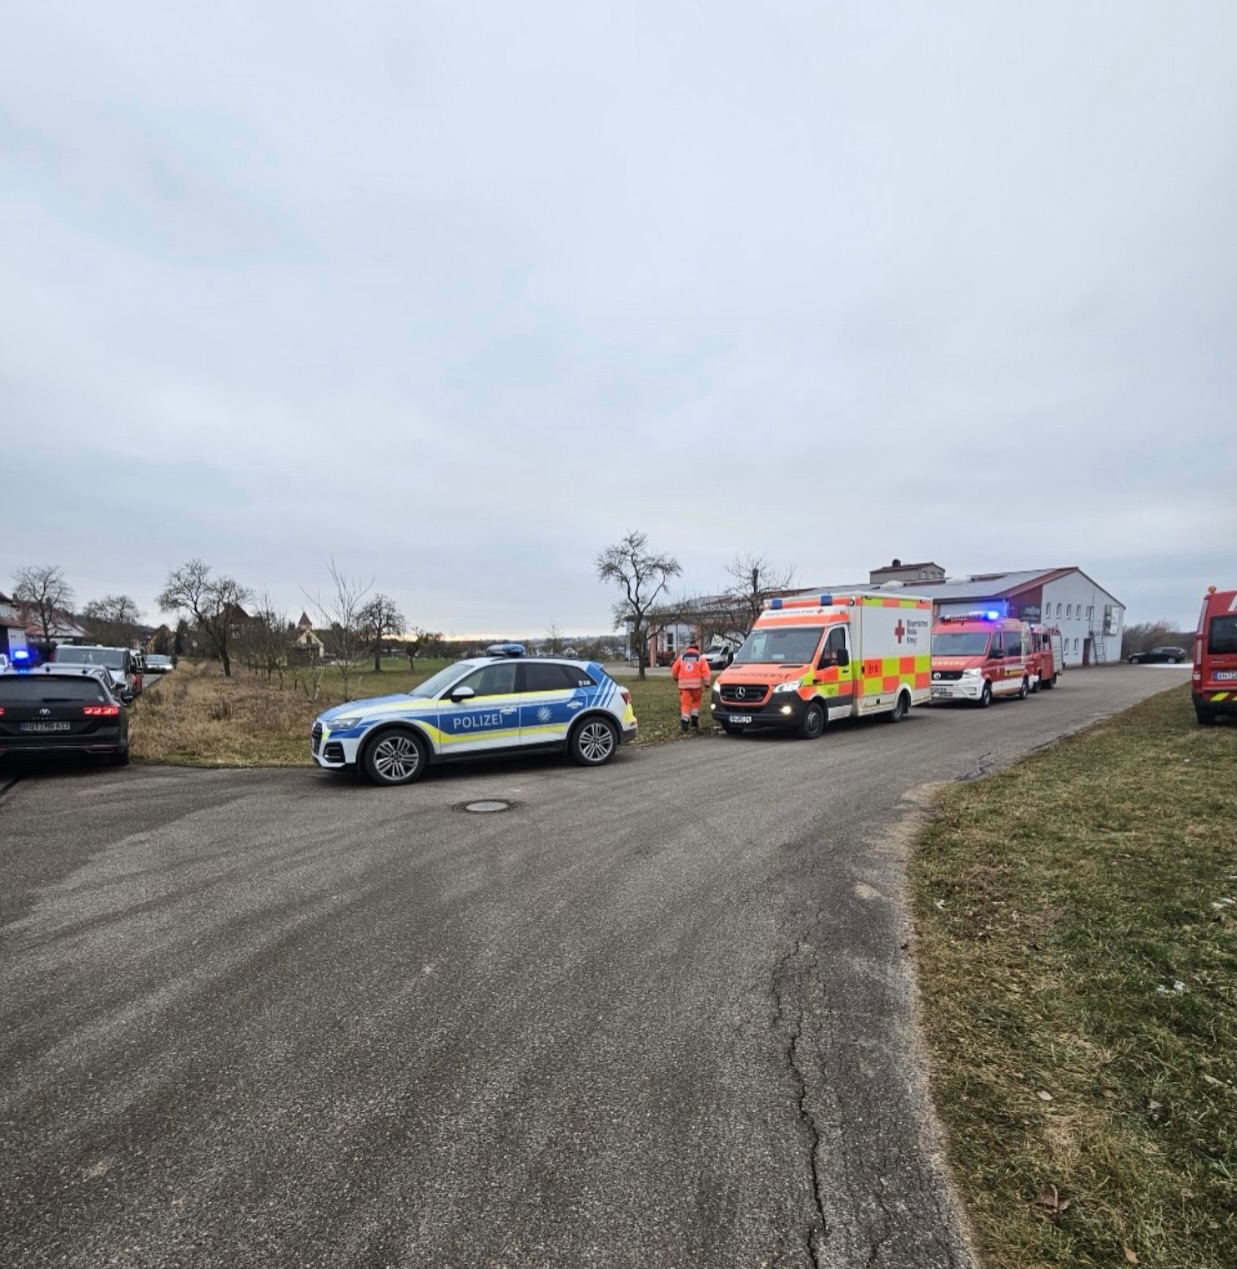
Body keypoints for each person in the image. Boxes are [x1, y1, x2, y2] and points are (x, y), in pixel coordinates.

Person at [670, 644, 711, 732]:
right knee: (695, 702)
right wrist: (707, 683)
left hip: (684, 686)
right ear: (697, 649)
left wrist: (676, 677)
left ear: (688, 649)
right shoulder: (700, 658)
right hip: (696, 686)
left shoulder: (681, 658)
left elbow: (674, 670)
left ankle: (684, 722)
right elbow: (706, 671)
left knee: (685, 704)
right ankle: (694, 721)